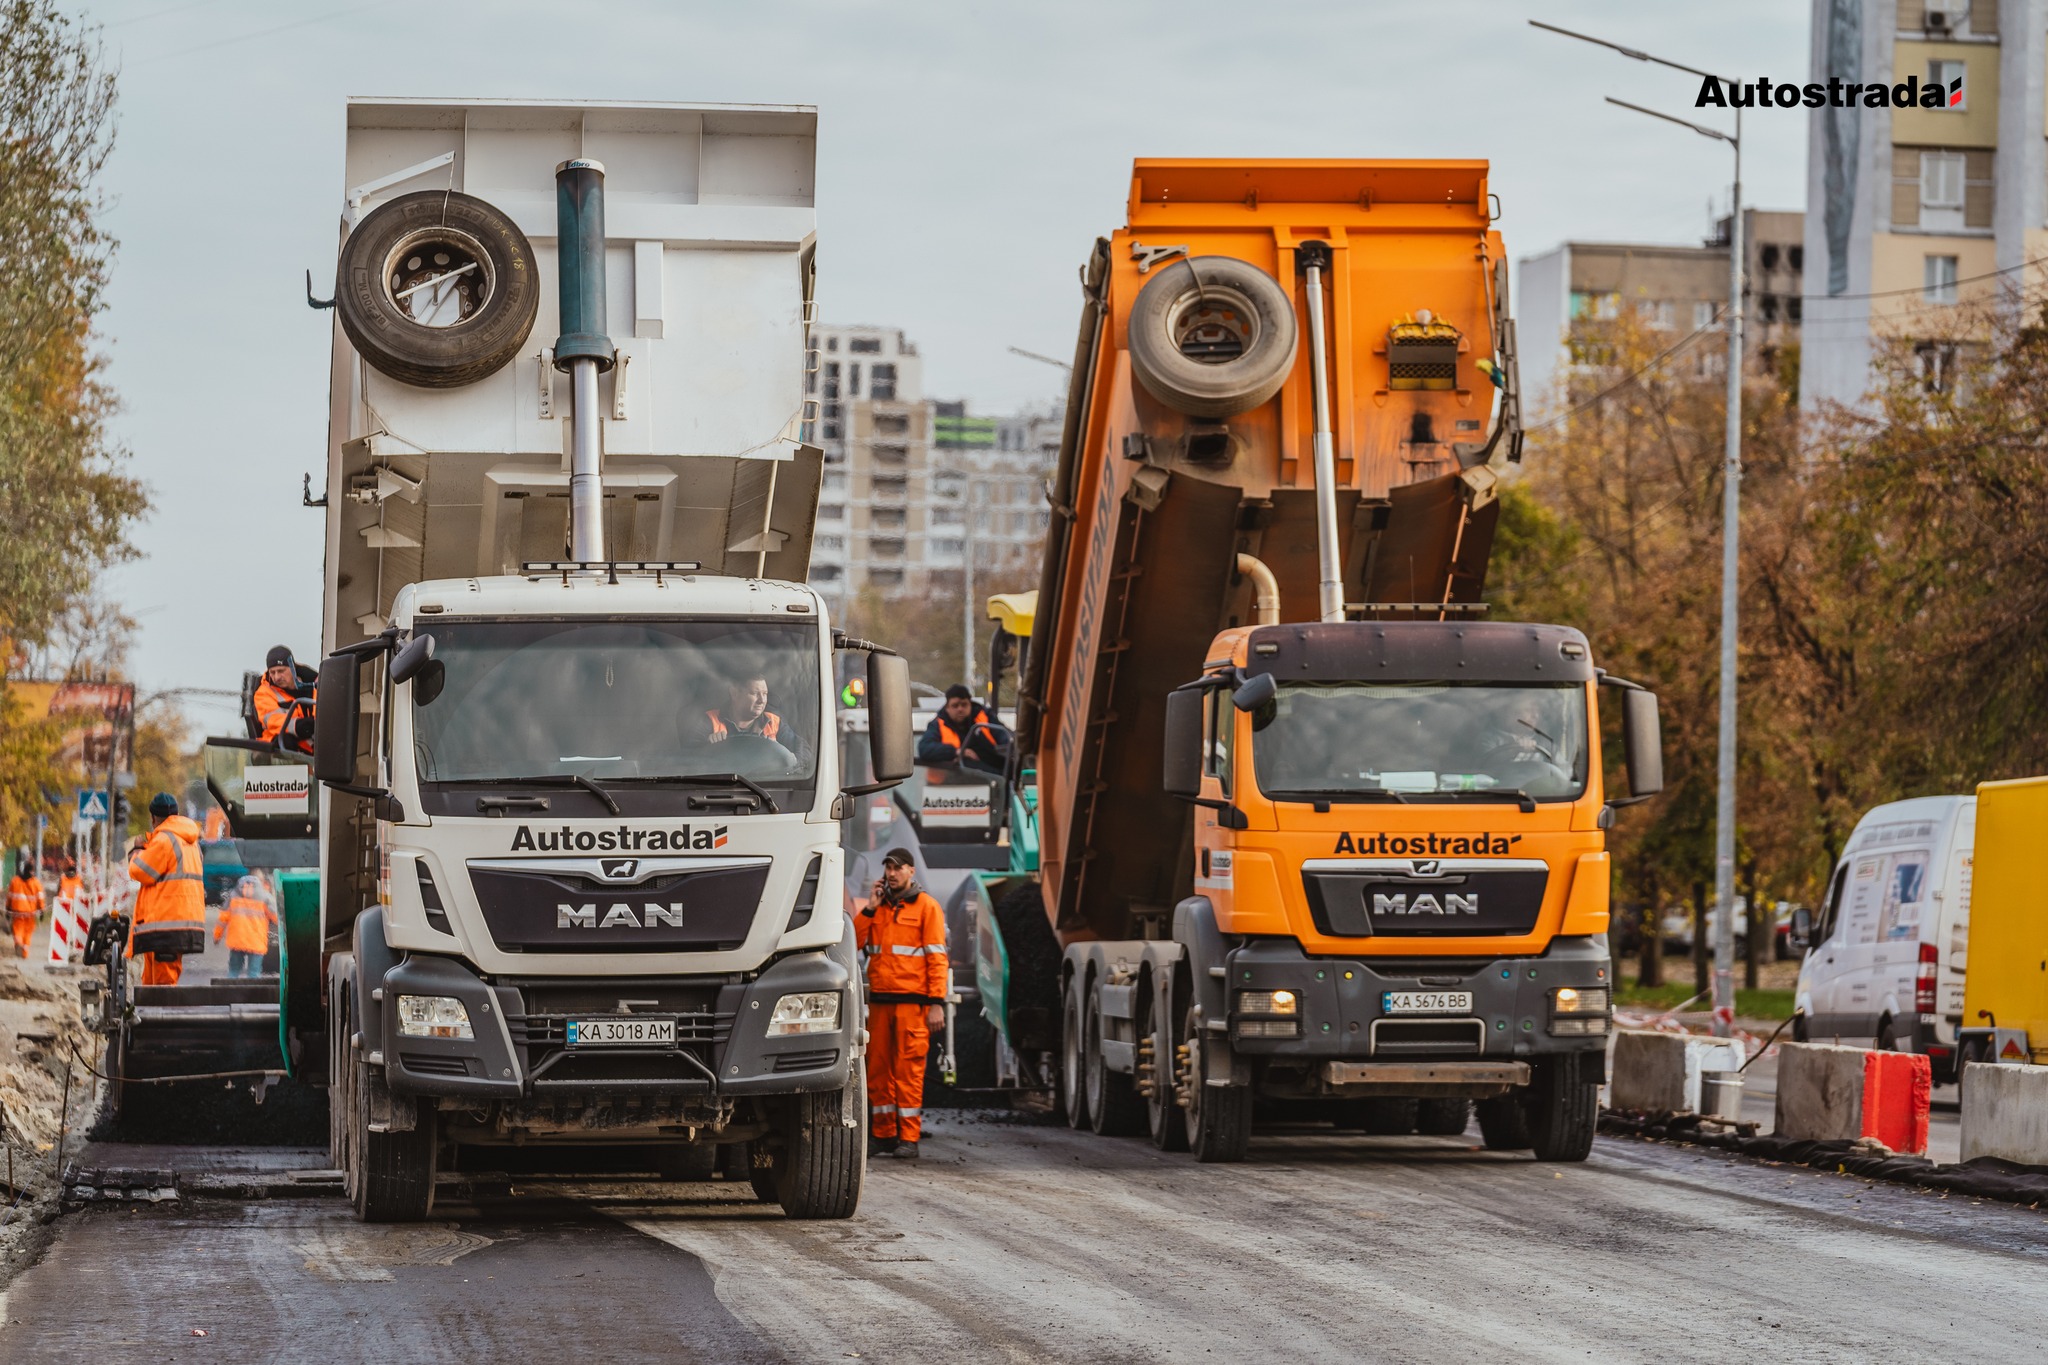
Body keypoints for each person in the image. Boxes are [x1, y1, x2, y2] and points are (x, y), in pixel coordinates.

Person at [853, 848, 947, 1159]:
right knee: (878, 1070)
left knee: (909, 1071)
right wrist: (869, 909)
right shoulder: (877, 908)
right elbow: (853, 942)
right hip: (880, 1003)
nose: (892, 873)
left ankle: (909, 1138)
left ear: (911, 871)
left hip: (913, 1005)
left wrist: (936, 1003)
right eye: (888, 868)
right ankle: (883, 1135)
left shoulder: (927, 908)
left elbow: (937, 959)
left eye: (898, 868)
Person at [127, 793, 207, 986]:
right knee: (154, 981)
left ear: (153, 818)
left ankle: (160, 1016)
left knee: (163, 986)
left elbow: (140, 871)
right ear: (177, 814)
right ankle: (150, 1014)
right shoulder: (190, 842)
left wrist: (137, 851)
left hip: (165, 924)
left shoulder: (164, 840)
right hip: (180, 921)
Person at [703, 673, 811, 767]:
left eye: (765, 694)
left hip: (764, 788)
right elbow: (688, 758)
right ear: (734, 693)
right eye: (755, 693)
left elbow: (805, 751)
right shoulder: (710, 721)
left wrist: (784, 755)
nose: (762, 700)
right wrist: (707, 747)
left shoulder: (774, 723)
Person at [916, 684, 1009, 774]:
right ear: (947, 708)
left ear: (970, 705)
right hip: (948, 783)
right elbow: (924, 748)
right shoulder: (937, 725)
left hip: (993, 777)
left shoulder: (985, 716)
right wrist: (957, 751)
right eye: (955, 705)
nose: (960, 709)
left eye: (964, 705)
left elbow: (1005, 737)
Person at [254, 645, 317, 755]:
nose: (277, 677)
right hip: (279, 749)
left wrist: (316, 725)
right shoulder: (264, 692)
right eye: (272, 672)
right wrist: (299, 726)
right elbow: (274, 721)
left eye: (281, 671)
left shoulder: (316, 684)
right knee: (286, 741)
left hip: (315, 748)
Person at [215, 874, 277, 979]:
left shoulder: (233, 895)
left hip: (237, 940)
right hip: (256, 941)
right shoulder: (265, 897)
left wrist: (217, 936)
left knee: (233, 971)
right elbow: (277, 918)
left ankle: (229, 993)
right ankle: (252, 994)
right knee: (254, 974)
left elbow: (222, 919)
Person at [6, 851, 43, 959]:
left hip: (17, 912)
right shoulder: (35, 883)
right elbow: (40, 898)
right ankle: (25, 952)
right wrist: (41, 911)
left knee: (17, 930)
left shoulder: (15, 881)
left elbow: (10, 896)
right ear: (32, 871)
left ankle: (18, 943)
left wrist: (8, 909)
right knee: (28, 932)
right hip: (30, 913)